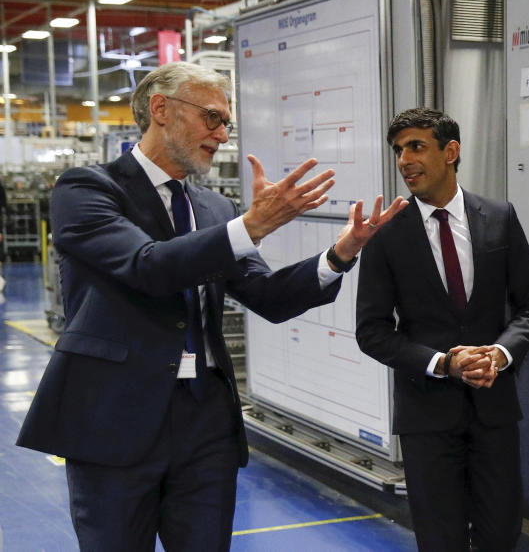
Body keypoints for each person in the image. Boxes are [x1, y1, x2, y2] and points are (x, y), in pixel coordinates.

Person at [16, 61, 406, 551]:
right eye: (212, 118)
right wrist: (253, 227)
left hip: (204, 427)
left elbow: (269, 297)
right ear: (161, 109)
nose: (222, 135)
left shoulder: (214, 210)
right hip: (114, 420)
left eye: (226, 123)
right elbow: (147, 266)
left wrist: (340, 253)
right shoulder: (88, 190)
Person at [355, 107, 529, 551]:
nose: (404, 160)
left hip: (494, 411)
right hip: (427, 417)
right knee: (441, 540)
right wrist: (444, 364)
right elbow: (372, 330)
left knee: (500, 535)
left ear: (451, 151)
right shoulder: (385, 235)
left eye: (416, 147)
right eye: (399, 151)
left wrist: (498, 355)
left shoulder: (499, 217)